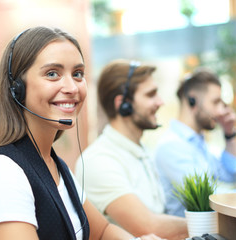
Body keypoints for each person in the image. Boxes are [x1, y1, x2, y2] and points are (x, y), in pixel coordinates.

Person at [0, 27, 161, 240]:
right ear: (16, 88)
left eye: (77, 74)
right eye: (52, 74)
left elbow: (101, 232)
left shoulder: (56, 166)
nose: (72, 87)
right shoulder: (1, 170)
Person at [75, 60, 188, 240]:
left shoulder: (143, 151)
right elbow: (149, 227)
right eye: (151, 95)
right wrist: (215, 221)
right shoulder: (98, 160)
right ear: (123, 104)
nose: (160, 102)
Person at [154, 68, 236, 217]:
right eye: (215, 102)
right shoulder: (171, 146)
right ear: (192, 100)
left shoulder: (198, 143)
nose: (220, 111)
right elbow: (206, 196)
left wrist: (229, 133)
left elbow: (231, 174)